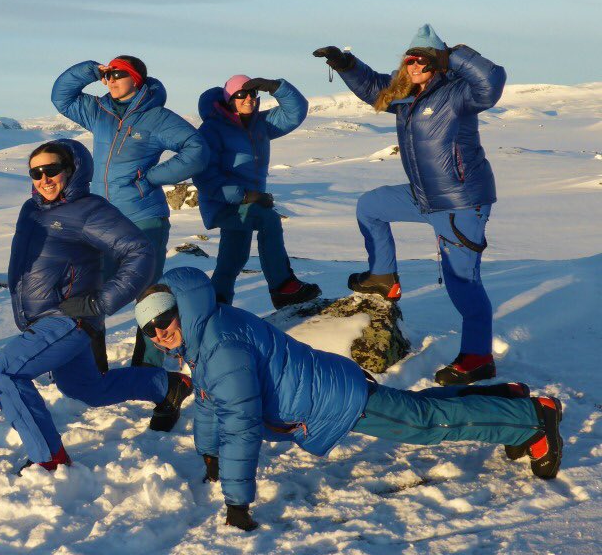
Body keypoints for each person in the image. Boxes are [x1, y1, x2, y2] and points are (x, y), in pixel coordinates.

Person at [134, 267, 562, 531]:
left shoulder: (219, 346)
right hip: (324, 384)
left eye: (163, 319)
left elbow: (242, 424)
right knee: (418, 411)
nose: (158, 332)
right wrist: (209, 453)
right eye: (147, 328)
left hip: (332, 400)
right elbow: (211, 401)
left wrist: (237, 502)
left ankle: (530, 419)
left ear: (182, 308)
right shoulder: (204, 334)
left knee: (423, 424)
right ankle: (505, 399)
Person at [313, 25, 506, 385]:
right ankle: (384, 277)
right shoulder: (405, 94)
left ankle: (479, 357)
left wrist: (453, 54)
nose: (413, 65)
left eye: (422, 59)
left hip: (460, 202)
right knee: (370, 206)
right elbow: (373, 87)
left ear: (437, 63)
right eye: (409, 58)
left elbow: (491, 81)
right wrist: (345, 63)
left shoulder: (459, 93)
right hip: (422, 196)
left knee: (463, 282)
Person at [0, 139, 193, 472]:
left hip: (68, 318)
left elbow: (140, 252)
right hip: (43, 319)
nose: (44, 179)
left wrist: (101, 301)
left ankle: (48, 458)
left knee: (6, 373)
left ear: (70, 170)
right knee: (86, 388)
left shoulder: (89, 210)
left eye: (51, 170)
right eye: (36, 172)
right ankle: (167, 386)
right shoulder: (32, 209)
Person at [51, 56, 209, 369]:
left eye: (117, 74)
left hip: (143, 217)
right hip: (100, 220)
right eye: (107, 75)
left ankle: (149, 370)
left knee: (149, 297)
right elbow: (62, 96)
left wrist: (152, 177)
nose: (110, 80)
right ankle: (92, 367)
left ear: (136, 78)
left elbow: (197, 149)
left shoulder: (157, 117)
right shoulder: (100, 111)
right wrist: (91, 70)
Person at [192, 75, 321, 309]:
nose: (248, 98)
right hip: (222, 204)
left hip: (249, 202)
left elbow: (295, 113)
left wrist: (275, 87)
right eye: (241, 95)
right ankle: (282, 286)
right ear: (229, 99)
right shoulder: (212, 129)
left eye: (253, 93)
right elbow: (204, 177)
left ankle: (216, 306)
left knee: (233, 259)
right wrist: (243, 196)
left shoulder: (260, 124)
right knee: (268, 220)